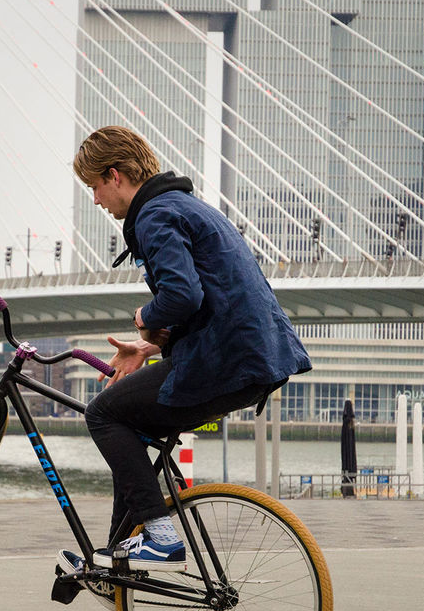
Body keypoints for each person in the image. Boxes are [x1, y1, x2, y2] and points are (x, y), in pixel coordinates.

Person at [61, 125, 311, 578]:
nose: (96, 200)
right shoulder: (184, 205)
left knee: (102, 413)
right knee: (129, 423)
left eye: (94, 187)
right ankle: (117, 554)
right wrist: (149, 344)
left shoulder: (155, 215)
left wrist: (145, 317)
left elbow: (183, 296)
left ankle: (160, 537)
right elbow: (212, 297)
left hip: (229, 360)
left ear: (114, 175)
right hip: (250, 356)